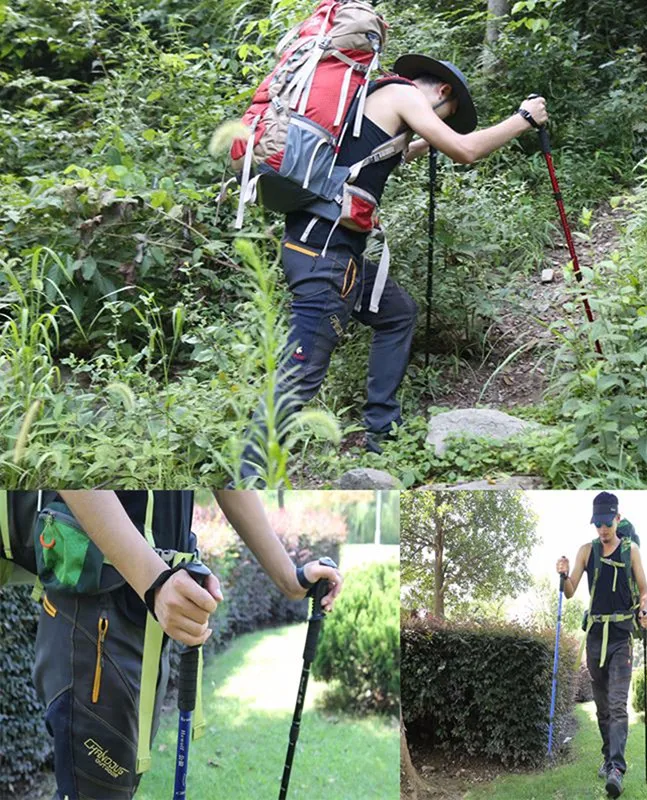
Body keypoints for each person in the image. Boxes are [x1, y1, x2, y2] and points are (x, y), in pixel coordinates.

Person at [240, 53, 549, 479]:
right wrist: (523, 119)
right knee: (302, 371)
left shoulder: (371, 101)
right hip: (324, 259)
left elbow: (389, 152)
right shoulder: (403, 95)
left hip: (329, 251)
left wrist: (427, 141)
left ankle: (383, 431)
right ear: (441, 92)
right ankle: (249, 475)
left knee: (397, 313)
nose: (441, 119)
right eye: (447, 114)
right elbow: (465, 150)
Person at [30, 490, 342, 800]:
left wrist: (291, 577)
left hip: (147, 615)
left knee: (119, 785)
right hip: (96, 614)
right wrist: (155, 582)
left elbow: (224, 473)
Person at [555, 492, 647, 799]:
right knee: (601, 708)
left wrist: (644, 610)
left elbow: (645, 588)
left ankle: (617, 770)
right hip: (596, 638)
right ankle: (608, 757)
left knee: (618, 705)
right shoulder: (587, 551)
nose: (602, 529)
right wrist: (562, 574)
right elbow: (569, 592)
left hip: (622, 637)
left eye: (607, 523)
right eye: (597, 523)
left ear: (617, 519)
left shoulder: (630, 551)